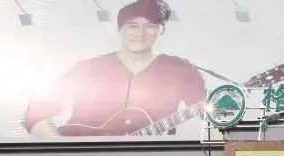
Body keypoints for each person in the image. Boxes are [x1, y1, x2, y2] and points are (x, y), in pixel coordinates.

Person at [23, 0, 206, 137]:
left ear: (162, 30)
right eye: (132, 25)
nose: (140, 33)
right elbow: (36, 114)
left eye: (150, 26)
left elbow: (210, 114)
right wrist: (62, 149)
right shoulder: (87, 68)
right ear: (120, 29)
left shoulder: (181, 69)